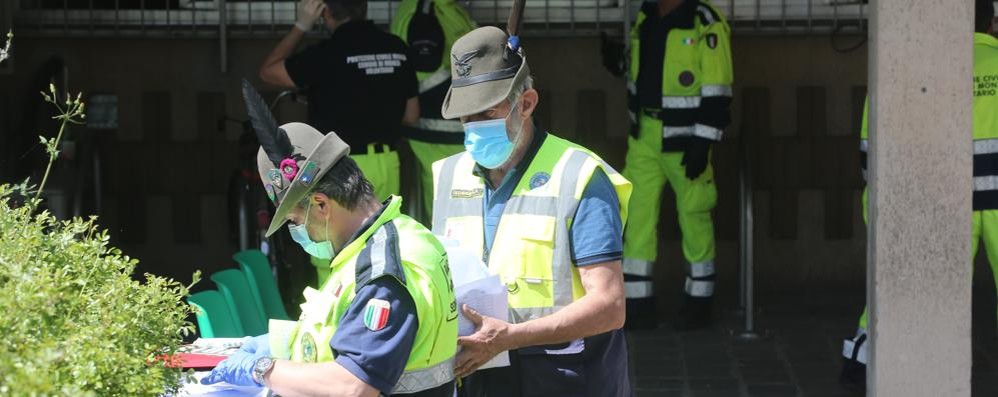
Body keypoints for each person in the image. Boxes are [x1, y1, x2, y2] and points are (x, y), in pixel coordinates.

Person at [202, 83, 458, 396]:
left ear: (321, 205)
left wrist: (263, 370)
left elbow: (353, 386)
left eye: (295, 221)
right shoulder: (394, 237)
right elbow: (343, 332)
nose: (297, 233)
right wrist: (284, 341)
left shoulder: (382, 271)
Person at [431, 27, 633, 396]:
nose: (474, 129)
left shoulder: (580, 175)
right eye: (465, 118)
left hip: (565, 377)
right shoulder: (448, 174)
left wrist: (511, 338)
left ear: (526, 103)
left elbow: (609, 306)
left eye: (486, 113)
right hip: (479, 377)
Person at [840, 0, 998, 387]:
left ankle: (862, 364)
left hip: (939, 203)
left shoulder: (906, 63)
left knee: (911, 291)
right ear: (991, 22)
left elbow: (870, 151)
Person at [259, 0, 420, 286]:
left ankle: (338, 319)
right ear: (365, 9)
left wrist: (302, 25)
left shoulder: (326, 54)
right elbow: (411, 115)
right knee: (385, 245)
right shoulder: (397, 47)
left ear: (326, 12)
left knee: (332, 250)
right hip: (387, 160)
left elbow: (269, 71)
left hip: (337, 169)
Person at [620, 0, 733, 330]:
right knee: (637, 216)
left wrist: (704, 141)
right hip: (644, 135)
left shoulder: (705, 21)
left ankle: (699, 304)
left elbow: (719, 86)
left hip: (686, 142)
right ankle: (637, 305)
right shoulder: (645, 15)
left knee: (694, 216)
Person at [389, 0, 477, 223]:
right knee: (452, 208)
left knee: (454, 203)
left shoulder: (438, 7)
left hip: (448, 126)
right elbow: (424, 70)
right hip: (439, 128)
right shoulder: (425, 9)